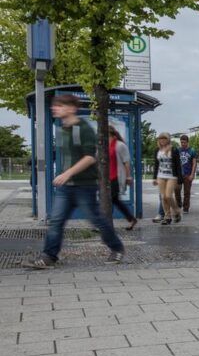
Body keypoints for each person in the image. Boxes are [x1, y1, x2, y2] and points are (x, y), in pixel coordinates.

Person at [25, 94, 125, 268]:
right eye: (55, 106)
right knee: (56, 220)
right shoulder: (62, 129)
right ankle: (49, 257)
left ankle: (117, 248)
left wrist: (67, 173)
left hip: (84, 185)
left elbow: (90, 157)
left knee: (96, 220)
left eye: (60, 105)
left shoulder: (83, 128)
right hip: (66, 187)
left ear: (71, 108)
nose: (54, 108)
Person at [108, 128, 137, 229]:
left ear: (114, 135)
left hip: (116, 177)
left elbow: (126, 162)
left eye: (108, 136)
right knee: (114, 200)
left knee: (110, 199)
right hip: (106, 178)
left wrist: (128, 176)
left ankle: (106, 224)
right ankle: (131, 218)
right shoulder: (104, 146)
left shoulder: (120, 145)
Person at [152, 133, 182, 224]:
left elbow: (178, 165)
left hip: (171, 176)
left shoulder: (174, 150)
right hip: (161, 176)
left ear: (168, 139)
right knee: (163, 197)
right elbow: (156, 165)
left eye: (164, 138)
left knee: (168, 196)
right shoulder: (157, 150)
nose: (162, 140)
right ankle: (167, 216)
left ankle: (177, 211)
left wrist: (179, 178)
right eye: (160, 138)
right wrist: (154, 178)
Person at [176, 134, 198, 213]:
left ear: (187, 142)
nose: (183, 144)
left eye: (184, 142)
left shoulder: (192, 151)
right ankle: (179, 204)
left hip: (188, 174)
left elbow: (194, 163)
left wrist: (192, 174)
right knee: (177, 190)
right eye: (181, 142)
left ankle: (186, 208)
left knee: (187, 192)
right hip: (179, 174)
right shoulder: (178, 150)